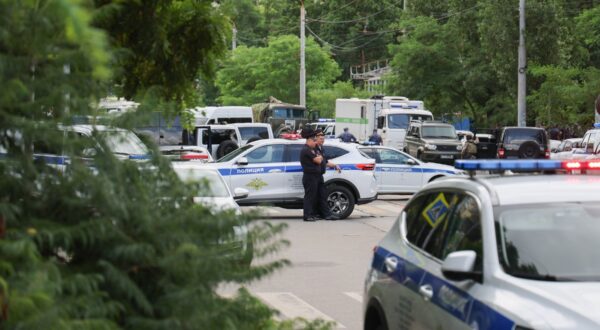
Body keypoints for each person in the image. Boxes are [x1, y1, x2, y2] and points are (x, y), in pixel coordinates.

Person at [314, 130, 341, 220]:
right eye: (320, 139)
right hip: (314, 175)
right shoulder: (314, 148)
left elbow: (324, 162)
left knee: (322, 195)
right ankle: (319, 214)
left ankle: (324, 214)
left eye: (323, 139)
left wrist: (335, 165)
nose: (322, 140)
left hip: (319, 175)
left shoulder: (321, 148)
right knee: (316, 196)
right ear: (316, 138)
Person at [299, 127, 322, 222]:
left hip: (313, 176)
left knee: (312, 196)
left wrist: (319, 156)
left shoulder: (311, 149)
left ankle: (311, 214)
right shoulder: (306, 150)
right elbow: (318, 160)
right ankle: (307, 215)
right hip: (310, 176)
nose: (316, 142)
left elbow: (319, 158)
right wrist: (319, 156)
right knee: (309, 197)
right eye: (314, 140)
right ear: (309, 140)